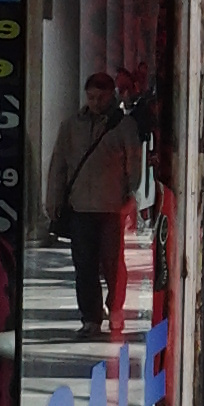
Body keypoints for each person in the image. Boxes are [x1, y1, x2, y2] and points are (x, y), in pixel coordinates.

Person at [46, 70, 143, 336]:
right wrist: (53, 201)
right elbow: (59, 165)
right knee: (84, 264)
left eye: (101, 98)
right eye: (91, 97)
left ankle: (115, 307)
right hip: (80, 206)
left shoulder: (124, 126)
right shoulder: (71, 126)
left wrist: (130, 193)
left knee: (113, 264)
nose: (96, 103)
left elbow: (134, 165)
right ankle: (90, 317)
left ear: (111, 96)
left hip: (111, 207)